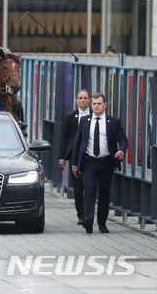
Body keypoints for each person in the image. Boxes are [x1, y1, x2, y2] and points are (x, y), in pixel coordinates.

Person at [71, 93, 128, 234]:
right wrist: (74, 164)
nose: (96, 106)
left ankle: (102, 223)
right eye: (94, 104)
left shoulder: (113, 122)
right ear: (91, 105)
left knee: (104, 194)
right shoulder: (85, 120)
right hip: (89, 162)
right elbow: (77, 144)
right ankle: (88, 220)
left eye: (99, 104)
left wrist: (121, 151)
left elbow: (123, 140)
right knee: (89, 190)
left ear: (105, 105)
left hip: (106, 162)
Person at [59, 89, 91, 225]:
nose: (83, 100)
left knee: (89, 186)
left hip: (89, 156)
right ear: (77, 100)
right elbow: (64, 137)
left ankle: (89, 213)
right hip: (74, 156)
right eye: (80, 98)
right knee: (78, 187)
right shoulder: (71, 117)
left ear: (89, 100)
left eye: (85, 98)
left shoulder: (94, 116)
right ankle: (81, 215)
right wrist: (61, 157)